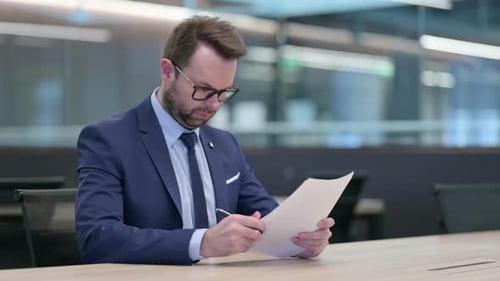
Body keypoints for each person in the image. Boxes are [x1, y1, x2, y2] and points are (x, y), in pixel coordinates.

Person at [75, 15, 334, 265]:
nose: (213, 104)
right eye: (203, 89)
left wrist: (302, 239)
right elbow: (98, 239)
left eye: (224, 92)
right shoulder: (109, 139)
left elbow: (270, 220)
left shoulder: (225, 145)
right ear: (167, 71)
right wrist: (202, 243)